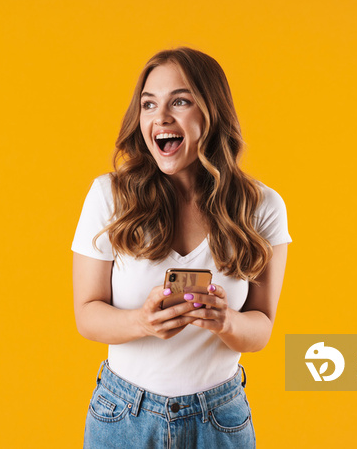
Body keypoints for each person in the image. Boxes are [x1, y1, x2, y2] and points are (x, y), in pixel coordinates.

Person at [72, 47, 291, 448]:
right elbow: (86, 315)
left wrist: (226, 322)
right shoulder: (110, 196)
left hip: (219, 419)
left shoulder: (262, 207)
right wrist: (141, 322)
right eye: (149, 104)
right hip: (123, 416)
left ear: (213, 112)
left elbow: (261, 328)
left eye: (181, 101)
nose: (161, 118)